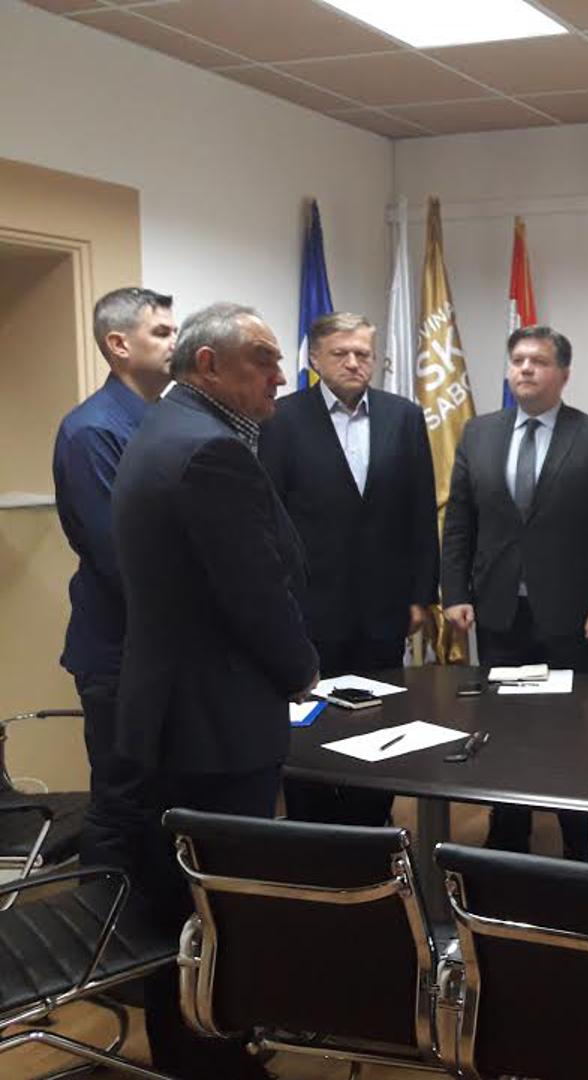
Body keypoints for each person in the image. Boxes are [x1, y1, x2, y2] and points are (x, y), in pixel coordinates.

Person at [112, 302, 319, 1078]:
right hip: (216, 724)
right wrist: (303, 671)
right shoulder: (210, 452)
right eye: (263, 359)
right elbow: (255, 595)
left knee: (184, 905)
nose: (280, 376)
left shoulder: (163, 429)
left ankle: (191, 1052)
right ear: (209, 365)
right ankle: (216, 1059)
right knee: (218, 906)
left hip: (176, 709)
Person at [442, 325, 588, 861]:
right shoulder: (479, 433)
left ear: (563, 375)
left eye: (540, 361)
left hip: (573, 616)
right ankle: (508, 833)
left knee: (574, 732)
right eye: (518, 360)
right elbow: (459, 521)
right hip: (500, 612)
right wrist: (454, 590)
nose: (526, 368)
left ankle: (578, 839)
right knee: (502, 727)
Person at [260, 312, 438, 826]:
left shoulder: (403, 416)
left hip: (384, 609)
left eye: (364, 353)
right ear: (316, 358)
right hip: (310, 608)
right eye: (342, 353)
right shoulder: (282, 418)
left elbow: (420, 510)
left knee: (381, 724)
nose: (355, 363)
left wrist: (421, 595)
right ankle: (315, 836)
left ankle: (370, 827)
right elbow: (269, 513)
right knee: (312, 728)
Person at [52, 287, 176, 871]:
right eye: (162, 332)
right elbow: (123, 557)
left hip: (164, 651)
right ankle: (102, 920)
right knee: (123, 802)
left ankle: (158, 917)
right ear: (119, 345)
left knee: (164, 800)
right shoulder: (92, 431)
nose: (176, 342)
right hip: (120, 654)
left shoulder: (164, 420)